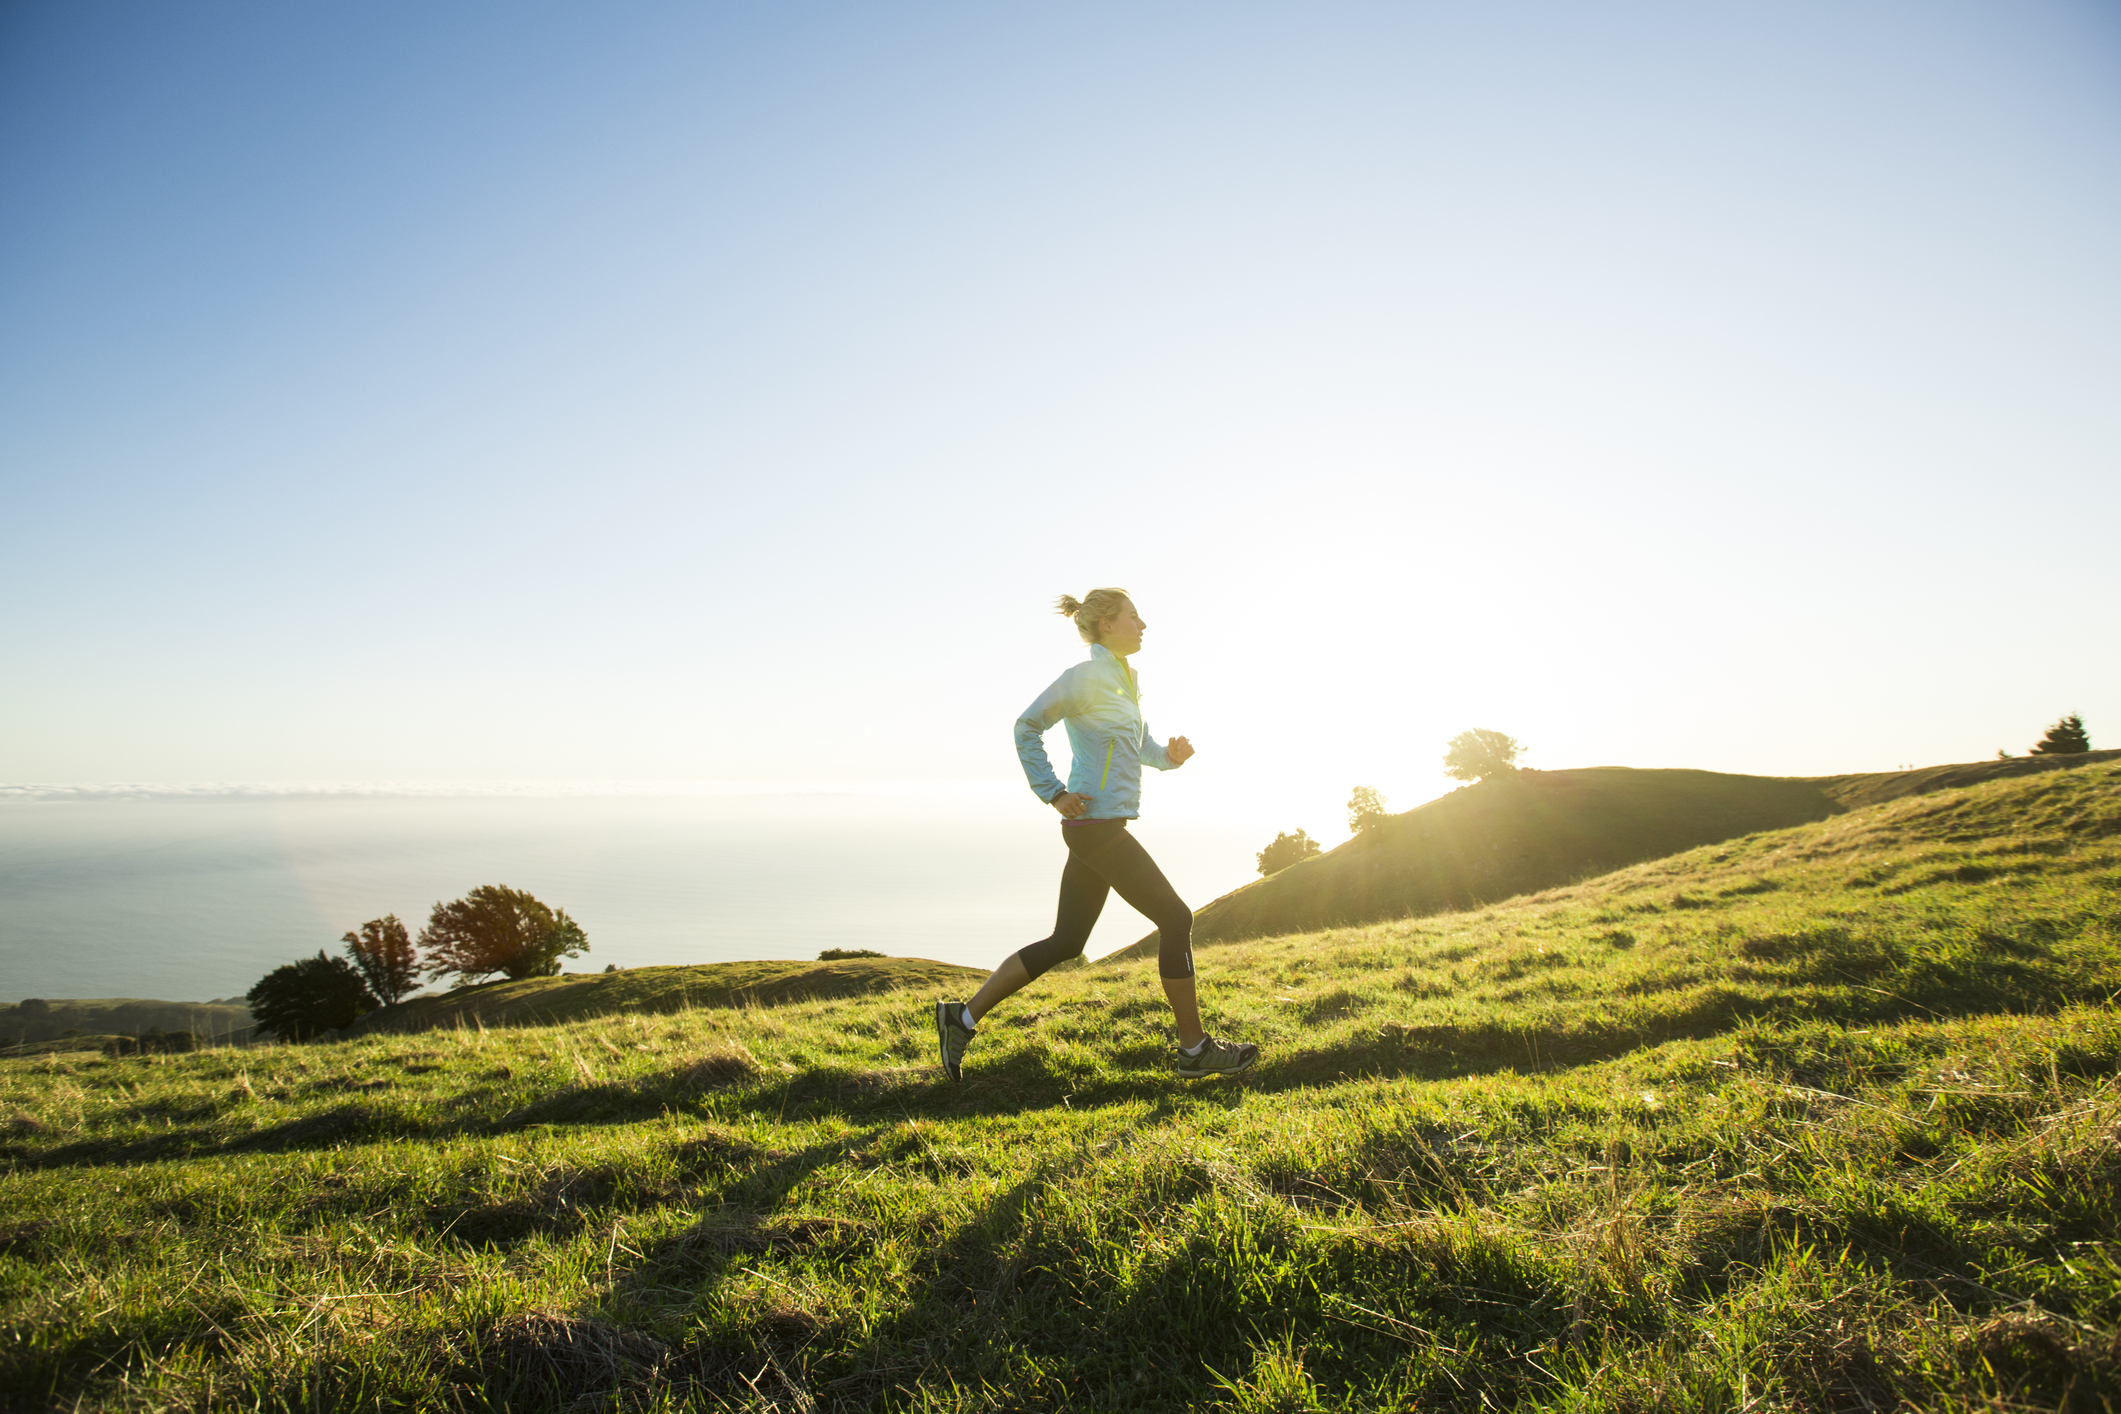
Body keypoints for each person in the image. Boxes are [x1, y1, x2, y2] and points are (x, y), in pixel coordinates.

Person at [934, 588, 1259, 1081]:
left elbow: (1139, 747)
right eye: (1134, 616)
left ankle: (961, 1017)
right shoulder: (1083, 678)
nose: (1143, 624)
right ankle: (1194, 1049)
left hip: (1101, 825)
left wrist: (1168, 757)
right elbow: (1026, 727)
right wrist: (1053, 792)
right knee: (1175, 917)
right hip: (1093, 826)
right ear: (1108, 624)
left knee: (1067, 941)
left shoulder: (1127, 680)